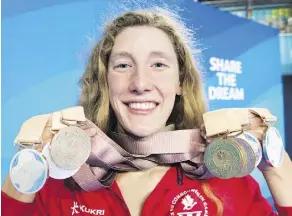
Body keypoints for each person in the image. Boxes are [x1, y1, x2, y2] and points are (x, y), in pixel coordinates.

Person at [2, 7, 292, 216]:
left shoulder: (228, 184)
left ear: (181, 82)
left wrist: (273, 158)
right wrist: (29, 163)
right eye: (123, 65)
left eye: (158, 65)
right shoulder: (63, 184)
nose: (140, 83)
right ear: (104, 80)